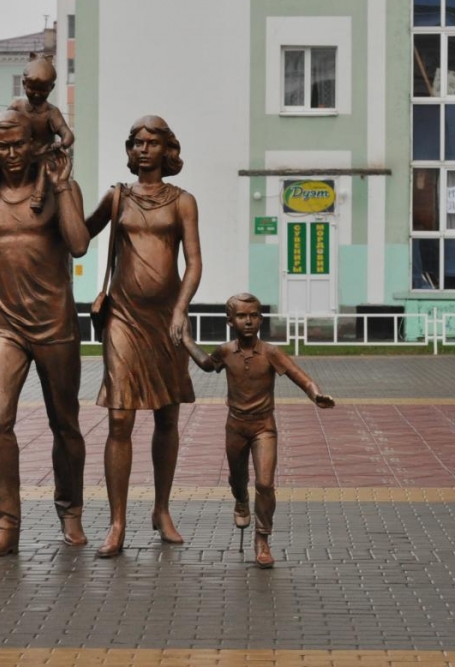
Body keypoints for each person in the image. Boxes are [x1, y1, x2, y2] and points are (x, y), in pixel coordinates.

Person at [0, 108, 90, 558]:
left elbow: (79, 245)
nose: (12, 154)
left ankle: (70, 509)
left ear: (35, 143)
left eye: (19, 144)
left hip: (55, 322)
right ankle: (6, 524)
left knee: (65, 424)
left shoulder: (59, 188)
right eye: (2, 146)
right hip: (8, 324)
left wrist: (61, 188)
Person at [85, 115, 201, 559]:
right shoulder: (117, 198)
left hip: (165, 320)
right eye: (137, 142)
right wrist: (55, 189)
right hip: (123, 318)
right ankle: (117, 523)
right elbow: (78, 239)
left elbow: (193, 261)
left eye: (152, 142)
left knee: (167, 416)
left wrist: (180, 309)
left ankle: (161, 509)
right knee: (120, 418)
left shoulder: (183, 201)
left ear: (166, 149)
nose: (144, 149)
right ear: (129, 150)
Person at [182, 293, 336, 569]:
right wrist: (186, 340)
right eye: (241, 316)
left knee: (265, 484)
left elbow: (299, 375)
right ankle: (240, 499)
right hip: (236, 427)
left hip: (264, 427)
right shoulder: (226, 352)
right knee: (238, 479)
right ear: (230, 321)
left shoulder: (271, 353)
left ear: (261, 319)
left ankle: (262, 538)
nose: (248, 321)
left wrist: (316, 395)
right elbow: (207, 364)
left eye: (254, 315)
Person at [0, 52, 75, 213]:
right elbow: (1, 134)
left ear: (51, 88)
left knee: (43, 166)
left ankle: (38, 196)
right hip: (20, 156)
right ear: (23, 84)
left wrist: (61, 144)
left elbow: (68, 135)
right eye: (32, 88)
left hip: (43, 155)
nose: (36, 94)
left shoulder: (51, 113)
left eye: (42, 90)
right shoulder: (16, 106)